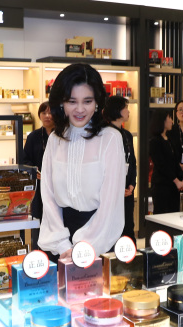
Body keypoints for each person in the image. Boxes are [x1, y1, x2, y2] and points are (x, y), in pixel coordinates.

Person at [38, 63, 126, 262]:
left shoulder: (111, 138)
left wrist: (84, 246)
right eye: (72, 101)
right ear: (62, 103)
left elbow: (111, 203)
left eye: (87, 101)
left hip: (100, 240)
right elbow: (48, 196)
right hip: (59, 242)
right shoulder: (55, 139)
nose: (79, 109)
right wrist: (62, 244)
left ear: (97, 103)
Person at [103, 95, 137, 243]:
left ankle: (131, 262)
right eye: (126, 108)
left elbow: (132, 162)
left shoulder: (127, 135)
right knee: (112, 232)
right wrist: (117, 188)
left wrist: (132, 185)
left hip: (127, 193)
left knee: (128, 228)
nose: (128, 111)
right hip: (111, 193)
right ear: (117, 110)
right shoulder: (105, 134)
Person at [23, 101, 55, 249]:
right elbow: (24, 160)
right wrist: (34, 171)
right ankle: (39, 252)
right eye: (44, 113)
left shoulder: (63, 135)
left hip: (58, 187)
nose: (48, 116)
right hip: (39, 188)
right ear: (39, 116)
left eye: (51, 112)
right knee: (39, 220)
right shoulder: (33, 137)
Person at [149, 110, 183, 214]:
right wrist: (176, 181)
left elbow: (175, 162)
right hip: (162, 185)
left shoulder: (169, 139)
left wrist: (182, 178)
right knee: (162, 214)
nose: (172, 121)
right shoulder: (155, 141)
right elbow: (161, 165)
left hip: (173, 186)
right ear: (163, 121)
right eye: (169, 118)